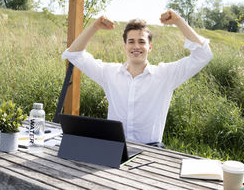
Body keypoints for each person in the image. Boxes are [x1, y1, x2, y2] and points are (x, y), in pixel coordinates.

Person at [62, 10, 213, 147]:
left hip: (151, 150)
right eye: (131, 42)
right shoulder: (109, 73)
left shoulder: (165, 75)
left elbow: (203, 55)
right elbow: (74, 54)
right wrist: (94, 26)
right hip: (114, 147)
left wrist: (179, 21)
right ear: (125, 47)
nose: (136, 46)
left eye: (142, 42)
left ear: (150, 47)